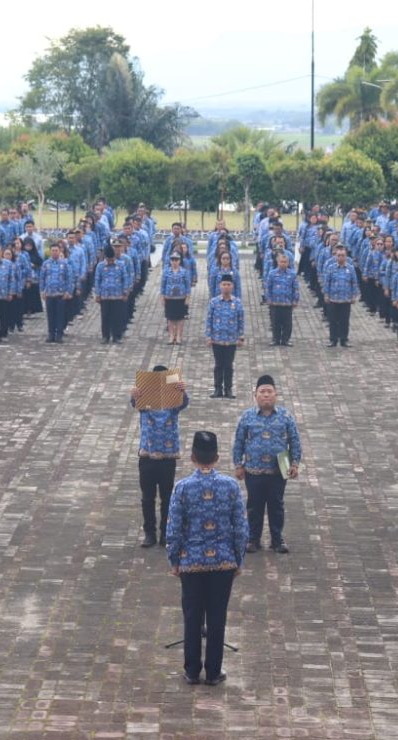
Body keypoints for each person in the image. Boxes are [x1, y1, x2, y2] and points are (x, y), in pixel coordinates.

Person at [165, 431, 248, 686]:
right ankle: (213, 671)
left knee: (192, 616)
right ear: (217, 457)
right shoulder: (231, 486)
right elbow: (241, 528)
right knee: (217, 616)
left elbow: (173, 528)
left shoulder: (182, 488)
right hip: (223, 562)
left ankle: (191, 670)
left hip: (191, 561)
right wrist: (238, 559)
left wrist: (174, 560)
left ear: (192, 457)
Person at [232, 375, 302, 554]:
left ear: (276, 394)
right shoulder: (247, 416)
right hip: (253, 470)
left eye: (269, 392)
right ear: (255, 395)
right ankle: (253, 540)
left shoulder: (286, 416)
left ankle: (277, 540)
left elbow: (294, 440)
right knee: (254, 506)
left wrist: (295, 463)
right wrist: (238, 465)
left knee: (276, 505)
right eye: (262, 392)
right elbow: (239, 441)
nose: (266, 395)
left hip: (278, 471)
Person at [130, 367, 189, 548]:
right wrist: (134, 395)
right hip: (147, 456)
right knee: (147, 498)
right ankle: (149, 533)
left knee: (167, 497)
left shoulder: (173, 406)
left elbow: (184, 403)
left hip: (167, 457)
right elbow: (134, 402)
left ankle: (166, 533)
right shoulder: (144, 404)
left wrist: (182, 391)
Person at [204, 275, 245, 399]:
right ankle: (217, 388)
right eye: (224, 284)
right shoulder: (214, 302)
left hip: (231, 340)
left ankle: (228, 389)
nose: (226, 287)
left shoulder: (237, 303)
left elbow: (241, 320)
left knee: (228, 365)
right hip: (217, 339)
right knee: (218, 365)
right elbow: (209, 320)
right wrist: (208, 336)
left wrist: (241, 337)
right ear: (220, 286)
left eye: (228, 284)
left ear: (232, 286)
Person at [321, 245, 359, 348]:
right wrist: (326, 294)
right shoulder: (331, 268)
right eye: (339, 255)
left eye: (343, 255)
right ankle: (333, 340)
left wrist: (354, 296)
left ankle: (344, 339)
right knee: (332, 321)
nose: (341, 257)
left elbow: (354, 282)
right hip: (333, 299)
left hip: (345, 299)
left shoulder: (350, 268)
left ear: (346, 256)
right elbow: (326, 282)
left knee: (344, 321)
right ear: (335, 256)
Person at [39, 243, 74, 343]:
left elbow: (69, 279)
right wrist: (42, 291)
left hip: (60, 294)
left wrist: (68, 291)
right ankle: (51, 334)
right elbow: (42, 278)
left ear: (60, 251)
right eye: (53, 250)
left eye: (56, 250)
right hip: (49, 293)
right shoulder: (46, 264)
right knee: (50, 315)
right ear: (50, 252)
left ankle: (59, 334)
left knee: (60, 315)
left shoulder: (65, 264)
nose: (54, 252)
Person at [264, 252, 300, 346]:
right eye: (281, 262)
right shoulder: (272, 273)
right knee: (275, 322)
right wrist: (268, 298)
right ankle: (276, 339)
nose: (283, 263)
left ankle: (285, 340)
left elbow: (295, 288)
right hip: (275, 303)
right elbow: (268, 287)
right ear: (278, 262)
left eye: (285, 262)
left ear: (288, 263)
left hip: (287, 303)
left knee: (287, 323)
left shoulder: (292, 274)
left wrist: (295, 300)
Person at [161, 252, 191, 345]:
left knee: (180, 318)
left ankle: (178, 336)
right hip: (169, 297)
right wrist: (162, 296)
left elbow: (187, 285)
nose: (174, 262)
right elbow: (163, 285)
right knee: (170, 318)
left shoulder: (184, 272)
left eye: (176, 260)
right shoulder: (166, 271)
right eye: (173, 260)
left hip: (181, 297)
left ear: (179, 261)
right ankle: (171, 336)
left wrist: (188, 297)